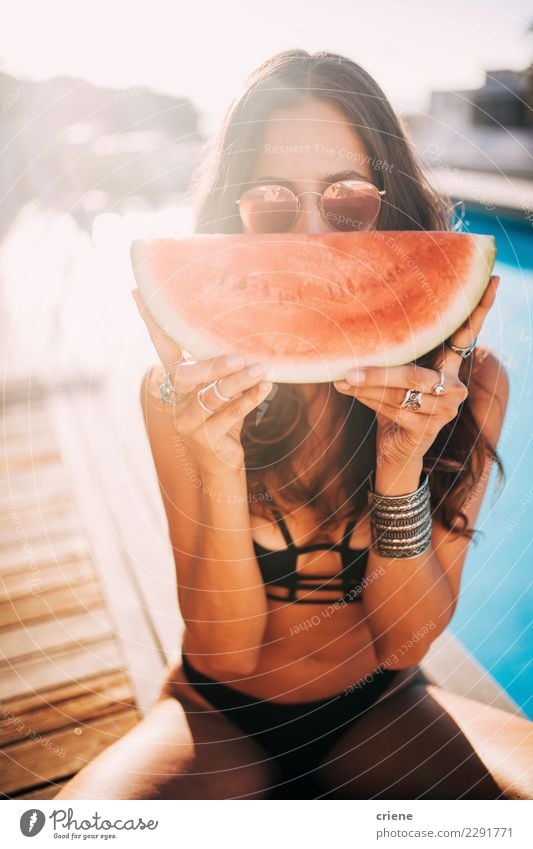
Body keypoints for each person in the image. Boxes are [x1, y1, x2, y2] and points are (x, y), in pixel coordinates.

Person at [56, 49, 532, 801]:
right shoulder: (181, 394)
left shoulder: (468, 387)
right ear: (234, 216)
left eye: (346, 200)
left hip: (381, 705)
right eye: (272, 202)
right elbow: (228, 647)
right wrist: (214, 461)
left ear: (393, 202)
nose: (312, 235)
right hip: (214, 712)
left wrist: (400, 463)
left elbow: (403, 640)